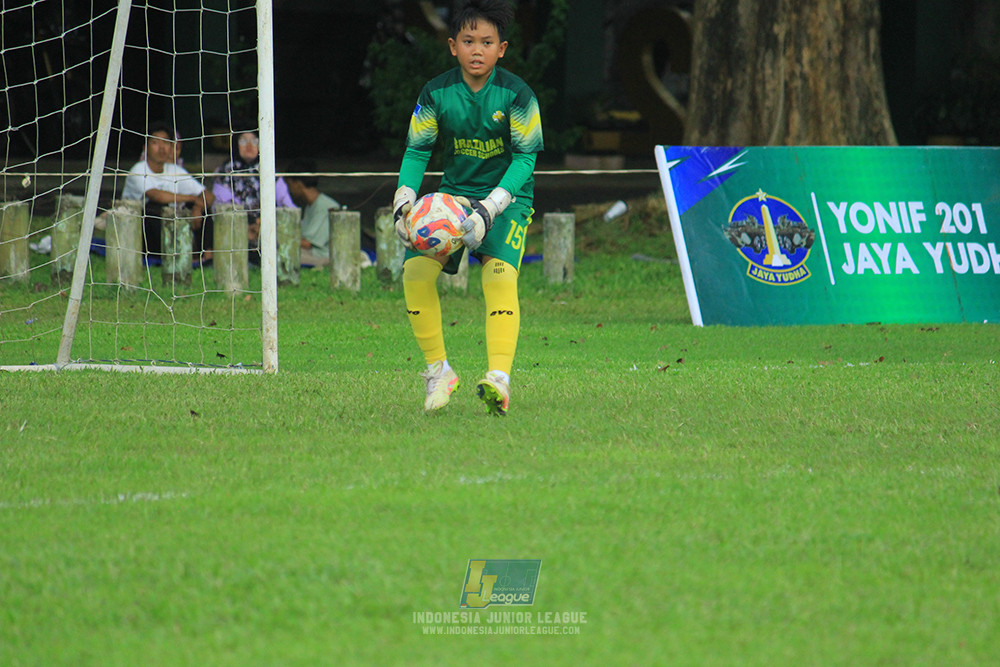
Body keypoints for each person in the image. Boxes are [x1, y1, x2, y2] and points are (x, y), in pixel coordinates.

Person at [392, 0, 543, 416]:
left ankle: (499, 378)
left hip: (509, 200)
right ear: (452, 46)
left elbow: (525, 160)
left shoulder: (518, 95)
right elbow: (417, 150)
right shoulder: (435, 92)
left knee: (499, 278)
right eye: (469, 40)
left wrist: (491, 209)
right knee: (415, 274)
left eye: (487, 42)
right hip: (453, 198)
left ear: (502, 49)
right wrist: (403, 203)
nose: (478, 50)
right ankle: (438, 371)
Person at [122, 121, 214, 261]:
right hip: (139, 228)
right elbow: (156, 195)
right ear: (145, 147)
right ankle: (164, 257)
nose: (161, 148)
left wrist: (197, 206)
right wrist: (192, 198)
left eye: (166, 143)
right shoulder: (138, 170)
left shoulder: (175, 170)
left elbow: (208, 196)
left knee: (204, 208)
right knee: (155, 208)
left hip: (171, 225)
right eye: (155, 143)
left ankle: (206, 257)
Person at [212, 128, 296, 253]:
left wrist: (264, 223)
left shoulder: (269, 169)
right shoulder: (224, 171)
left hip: (266, 228)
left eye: (254, 141)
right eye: (243, 141)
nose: (249, 146)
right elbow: (222, 204)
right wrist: (248, 224)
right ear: (235, 145)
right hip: (236, 229)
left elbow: (285, 203)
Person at [284, 159, 342, 267]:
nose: (289, 190)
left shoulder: (324, 206)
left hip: (323, 255)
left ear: (298, 184)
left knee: (284, 254)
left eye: (289, 184)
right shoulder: (311, 206)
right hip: (312, 253)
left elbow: (308, 243)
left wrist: (279, 237)